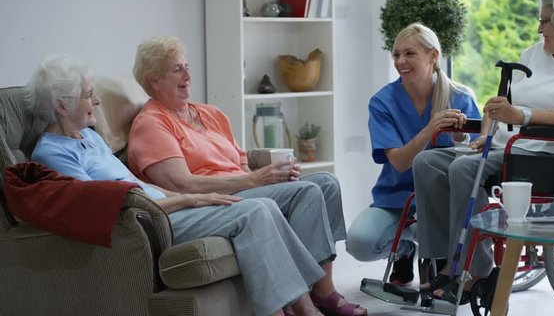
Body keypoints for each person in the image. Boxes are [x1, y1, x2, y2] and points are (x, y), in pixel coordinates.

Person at [26, 54, 328, 316]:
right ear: (61, 106)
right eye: (88, 94)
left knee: (262, 205)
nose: (97, 101)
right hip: (148, 222)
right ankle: (299, 308)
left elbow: (133, 182)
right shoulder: (51, 153)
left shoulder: (89, 137)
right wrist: (186, 201)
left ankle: (302, 305)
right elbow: (107, 206)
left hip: (164, 205)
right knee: (255, 211)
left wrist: (189, 195)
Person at [126, 36, 367, 316]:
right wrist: (253, 181)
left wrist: (276, 174)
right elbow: (182, 183)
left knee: (326, 183)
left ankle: (320, 290)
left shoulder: (209, 113)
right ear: (153, 80)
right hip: (215, 197)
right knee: (306, 192)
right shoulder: (152, 124)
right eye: (177, 69)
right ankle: (314, 296)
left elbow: (240, 161)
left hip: (243, 186)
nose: (188, 76)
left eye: (187, 66)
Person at [412, 0, 554, 303]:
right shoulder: (535, 54)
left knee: (465, 168)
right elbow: (509, 105)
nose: (539, 28)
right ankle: (443, 264)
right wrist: (489, 128)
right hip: (510, 146)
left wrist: (520, 115)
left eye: (545, 21)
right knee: (427, 162)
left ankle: (475, 270)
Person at [345, 23, 480, 285]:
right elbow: (400, 162)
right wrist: (430, 130)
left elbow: (475, 159)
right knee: (359, 243)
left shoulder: (461, 98)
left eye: (409, 53)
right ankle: (405, 251)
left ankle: (440, 257)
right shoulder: (382, 102)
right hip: (397, 199)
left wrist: (460, 138)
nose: (400, 61)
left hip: (446, 203)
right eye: (396, 54)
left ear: (433, 56)